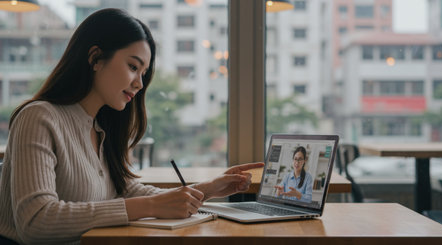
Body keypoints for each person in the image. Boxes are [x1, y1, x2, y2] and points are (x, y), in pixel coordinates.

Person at [0, 8, 264, 245]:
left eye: (143, 73)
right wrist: (150, 205)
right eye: (132, 67)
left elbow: (127, 190)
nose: (139, 83)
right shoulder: (38, 118)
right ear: (95, 58)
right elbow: (35, 221)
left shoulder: (100, 129)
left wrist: (207, 189)